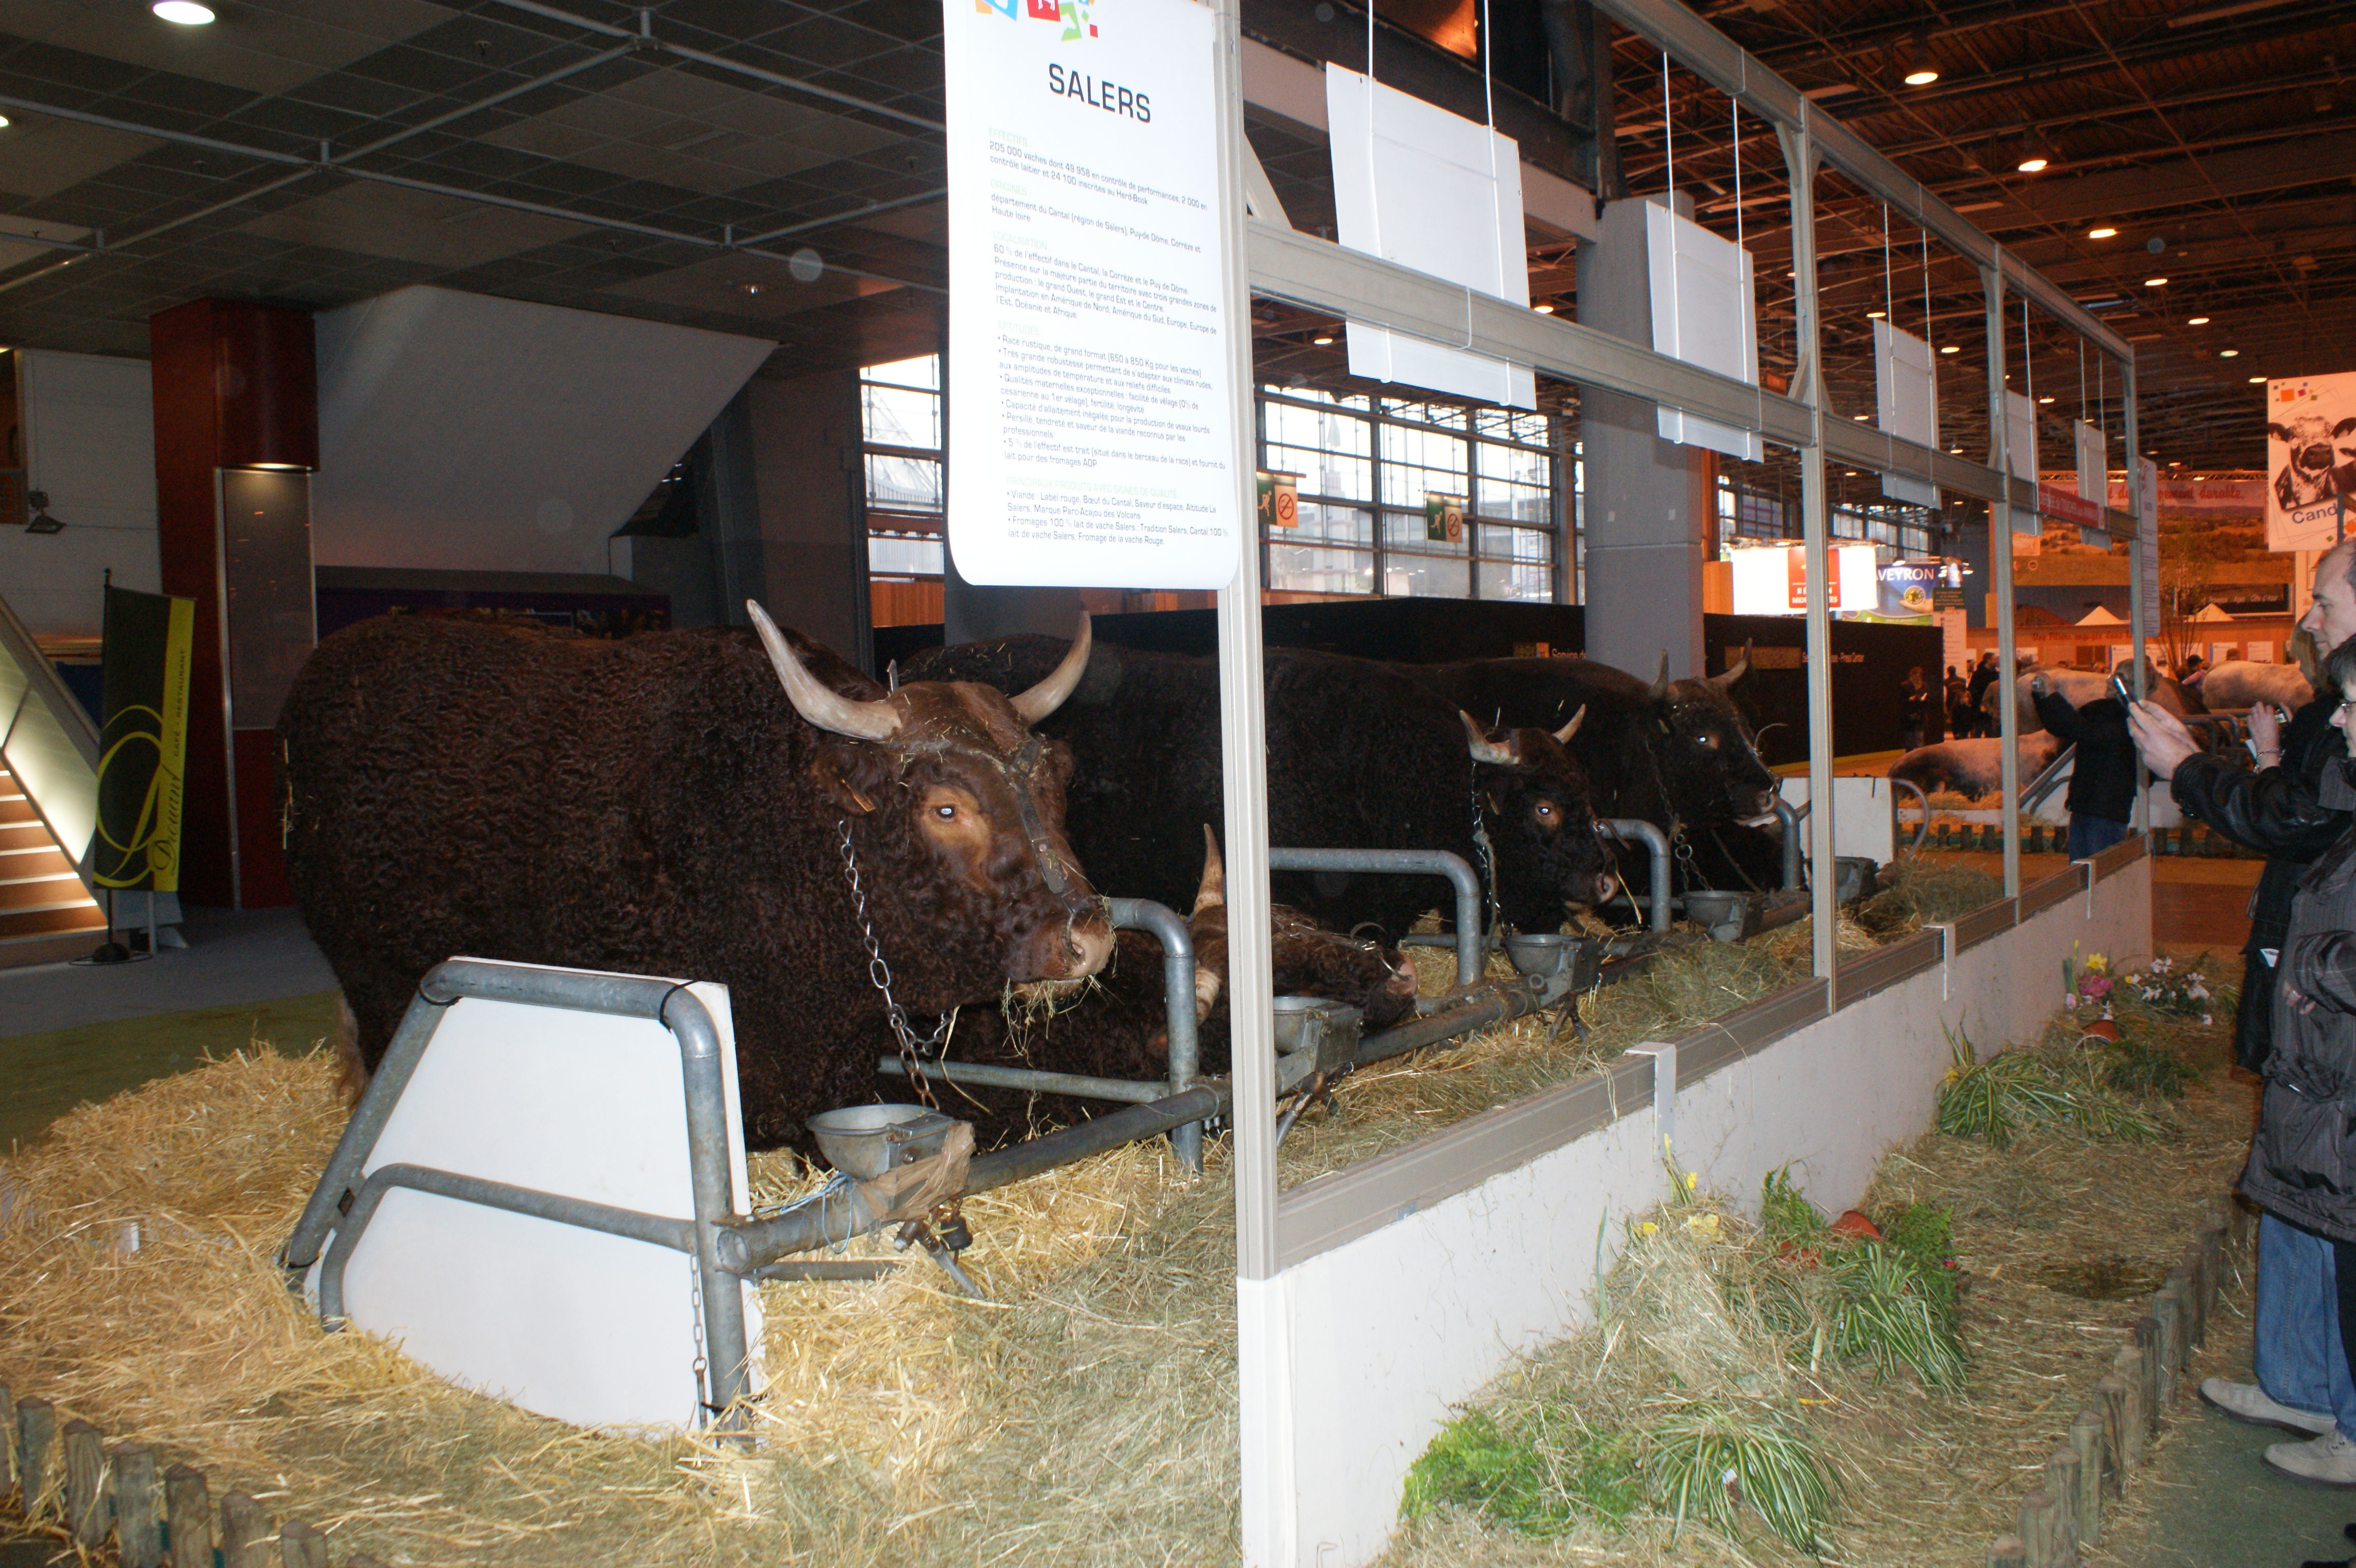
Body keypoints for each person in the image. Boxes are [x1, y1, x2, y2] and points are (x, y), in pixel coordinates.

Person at [2127, 540, 2356, 1484]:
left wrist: (2185, 769)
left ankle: (2339, 1403)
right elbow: (2299, 808)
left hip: (2328, 1017)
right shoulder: (2328, 717)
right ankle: (2302, 1378)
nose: (2306, 618)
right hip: (2311, 1016)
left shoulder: (2342, 723)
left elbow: (2294, 820)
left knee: (2329, 1200)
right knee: (2297, 1188)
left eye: (2323, 598)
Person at [2224, 630, 2356, 1485]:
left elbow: (2293, 829)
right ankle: (2305, 1386)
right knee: (2309, 1213)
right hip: (2324, 1069)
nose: (2338, 719)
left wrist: (2304, 963)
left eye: (2353, 705)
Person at [2031, 669, 2135, 859]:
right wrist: (2043, 698)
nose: (2112, 681)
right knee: (2084, 872)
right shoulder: (2106, 712)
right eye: (2114, 676)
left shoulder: (2125, 720)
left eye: (2121, 678)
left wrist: (2051, 696)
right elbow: (2065, 727)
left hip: (2104, 810)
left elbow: (2078, 729)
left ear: (2134, 687)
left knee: (2096, 874)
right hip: (2089, 806)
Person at [1967, 651, 2001, 738]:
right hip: (1980, 709)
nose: (1996, 661)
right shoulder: (1978, 674)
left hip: (1992, 708)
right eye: (1994, 660)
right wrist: (1980, 703)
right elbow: (1973, 689)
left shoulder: (1996, 674)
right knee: (1978, 731)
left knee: (1992, 733)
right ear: (1988, 660)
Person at [1899, 666, 1929, 751]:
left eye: (1919, 676)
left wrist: (1923, 699)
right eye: (1916, 675)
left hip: (1920, 715)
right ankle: (1910, 759)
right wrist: (1909, 699)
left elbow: (1928, 699)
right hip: (1909, 716)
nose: (1918, 678)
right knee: (1909, 740)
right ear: (1912, 675)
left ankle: (1920, 759)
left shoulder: (1924, 685)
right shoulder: (1905, 685)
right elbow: (1900, 701)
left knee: (1920, 739)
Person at [1946, 665, 1975, 741]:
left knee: (1955, 721)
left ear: (1948, 672)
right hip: (1962, 703)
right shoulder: (1962, 680)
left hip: (1952, 703)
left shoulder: (1946, 681)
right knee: (1963, 719)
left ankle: (1957, 734)